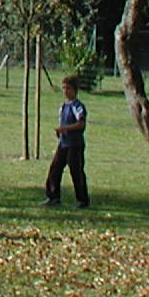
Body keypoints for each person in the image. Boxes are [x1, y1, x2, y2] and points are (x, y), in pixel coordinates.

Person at [43, 75, 91, 207]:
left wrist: (64, 128)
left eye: (68, 88)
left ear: (75, 90)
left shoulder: (78, 106)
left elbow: (81, 124)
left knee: (76, 171)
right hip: (63, 143)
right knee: (55, 169)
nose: (65, 91)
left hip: (75, 144)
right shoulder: (63, 106)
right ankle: (53, 197)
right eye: (63, 88)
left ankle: (82, 200)